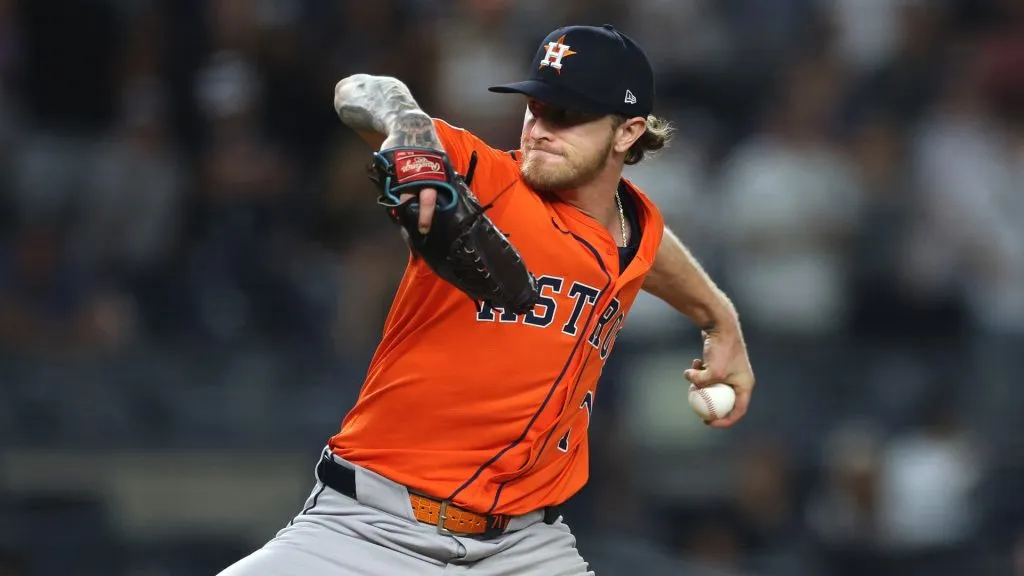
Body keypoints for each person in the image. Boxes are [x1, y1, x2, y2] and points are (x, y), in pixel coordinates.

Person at [220, 24, 755, 576]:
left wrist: (720, 321)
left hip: (526, 548)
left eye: (567, 115)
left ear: (628, 132)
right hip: (371, 527)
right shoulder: (487, 177)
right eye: (535, 108)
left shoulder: (635, 225)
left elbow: (647, 246)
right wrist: (410, 128)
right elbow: (359, 91)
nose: (540, 130)